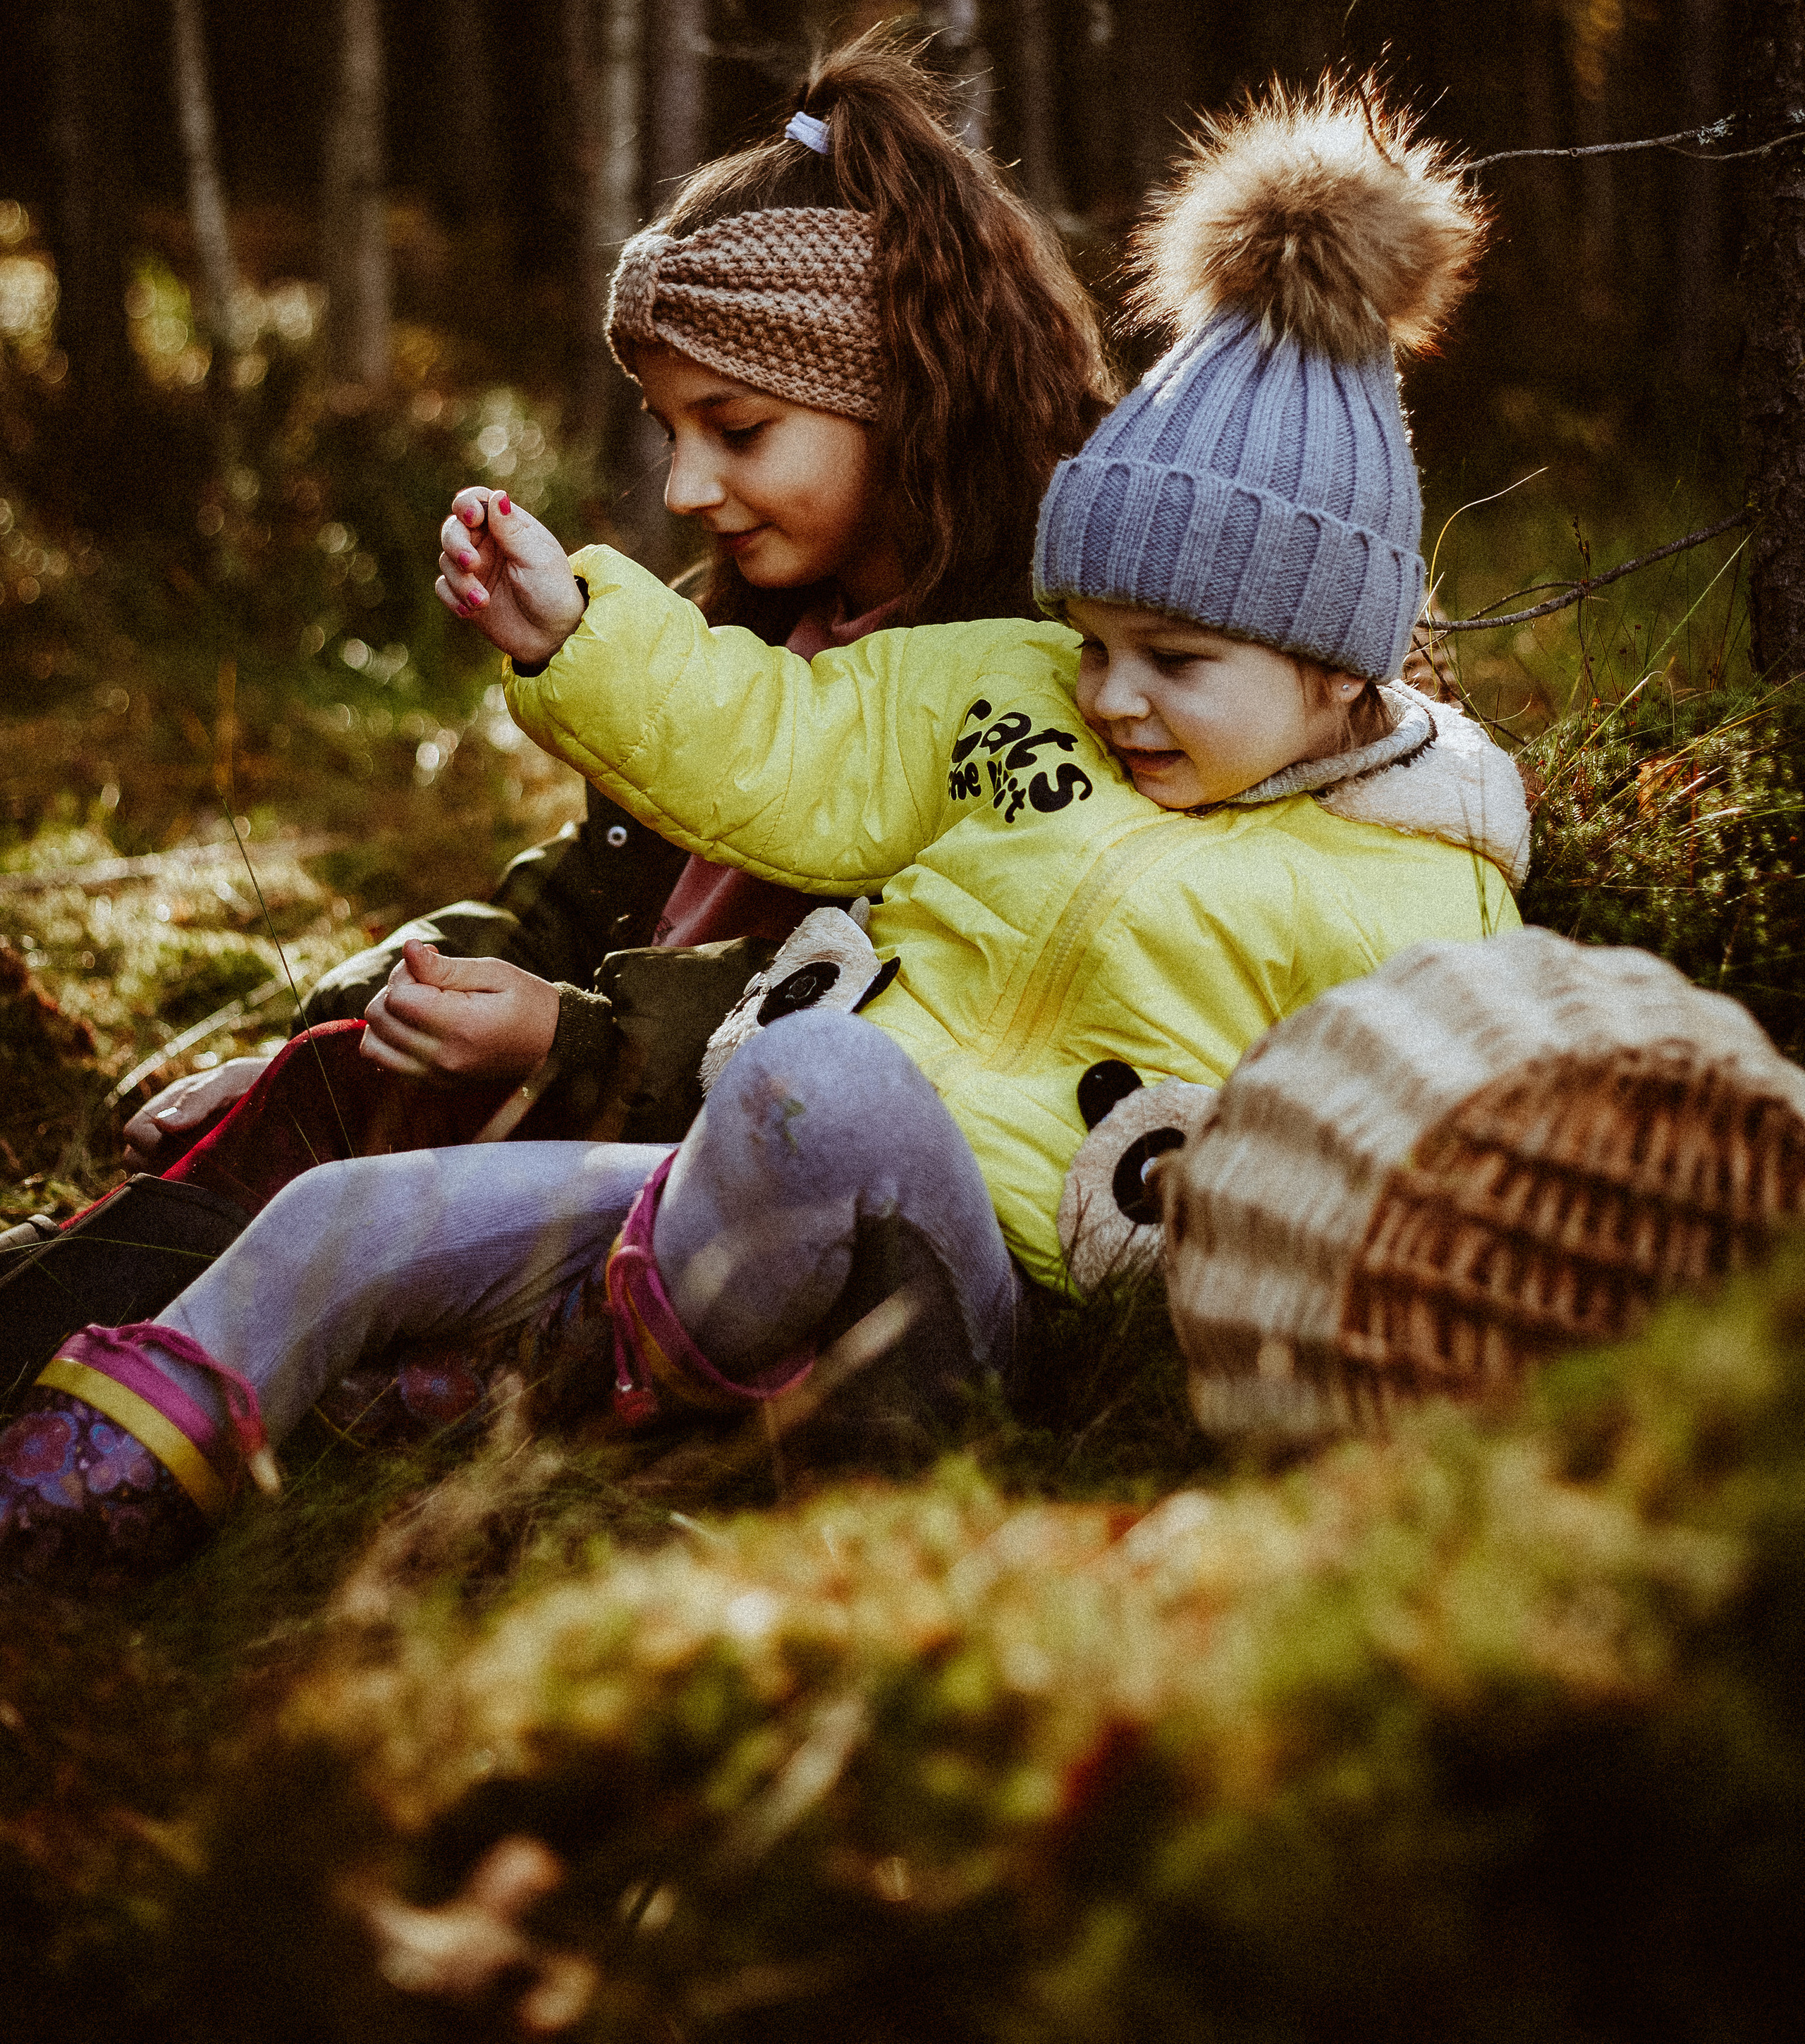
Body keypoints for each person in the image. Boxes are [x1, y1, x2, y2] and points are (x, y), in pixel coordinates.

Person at [0, 77, 1530, 1587]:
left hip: (948, 1262)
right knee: (337, 1170)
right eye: (1094, 646)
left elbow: (1436, 1147)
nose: (1114, 698)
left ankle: (532, 1381)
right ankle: (81, 1484)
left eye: (732, 426)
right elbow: (741, 764)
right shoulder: (987, 682)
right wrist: (566, 644)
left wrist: (573, 1041)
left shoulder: (1404, 878)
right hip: (722, 1171)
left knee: (815, 1082)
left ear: (1338, 670)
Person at [114, 36, 1113, 1194]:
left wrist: (573, 1041)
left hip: (712, 1199)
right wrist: (354, 1022)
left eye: (737, 430)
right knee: (259, 1149)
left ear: (908, 391)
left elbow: (889, 995)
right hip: (581, 1108)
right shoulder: (731, 627)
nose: (686, 489)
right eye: (668, 430)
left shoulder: (1033, 686)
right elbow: (593, 885)